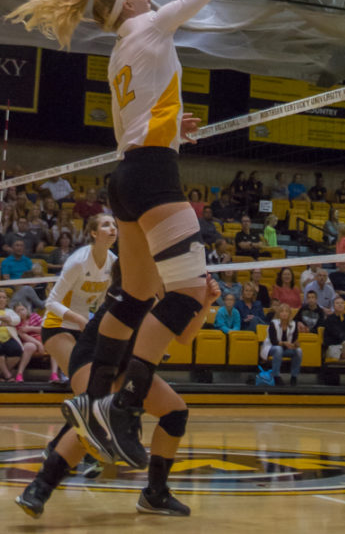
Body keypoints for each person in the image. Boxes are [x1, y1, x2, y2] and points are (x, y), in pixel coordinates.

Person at [7, 0, 235, 470]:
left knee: (135, 294)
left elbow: (138, 123)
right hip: (155, 176)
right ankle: (125, 406)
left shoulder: (120, 51)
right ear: (132, 5)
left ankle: (97, 395)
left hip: (128, 174)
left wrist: (173, 128)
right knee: (184, 293)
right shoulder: (152, 26)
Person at [15, 268, 221, 518]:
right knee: (97, 417)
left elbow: (185, 337)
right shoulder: (137, 284)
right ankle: (39, 487)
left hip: (129, 365)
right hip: (95, 357)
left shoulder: (171, 293)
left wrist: (207, 303)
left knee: (175, 412)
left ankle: (156, 494)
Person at [41, 215, 117, 378]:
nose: (112, 228)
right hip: (57, 324)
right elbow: (51, 302)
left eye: (114, 225)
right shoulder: (78, 262)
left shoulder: (114, 263)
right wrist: (80, 320)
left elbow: (103, 302)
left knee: (101, 378)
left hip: (85, 328)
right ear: (94, 233)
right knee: (81, 377)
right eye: (105, 225)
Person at [14, 301, 57, 383]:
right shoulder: (17, 322)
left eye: (22, 309)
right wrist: (38, 344)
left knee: (54, 345)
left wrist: (30, 328)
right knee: (30, 346)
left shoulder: (34, 316)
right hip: (28, 341)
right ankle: (19, 374)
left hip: (42, 339)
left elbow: (44, 329)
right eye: (18, 311)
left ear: (27, 310)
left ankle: (54, 374)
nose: (21, 312)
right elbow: (24, 336)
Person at [260, 301, 302, 385]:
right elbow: (274, 341)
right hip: (271, 347)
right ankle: (276, 376)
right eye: (282, 311)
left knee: (299, 351)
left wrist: (295, 344)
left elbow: (294, 340)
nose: (284, 313)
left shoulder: (294, 324)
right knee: (278, 349)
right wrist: (284, 343)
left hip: (286, 349)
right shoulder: (273, 324)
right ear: (279, 313)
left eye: (286, 311)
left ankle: (294, 377)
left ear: (290, 314)